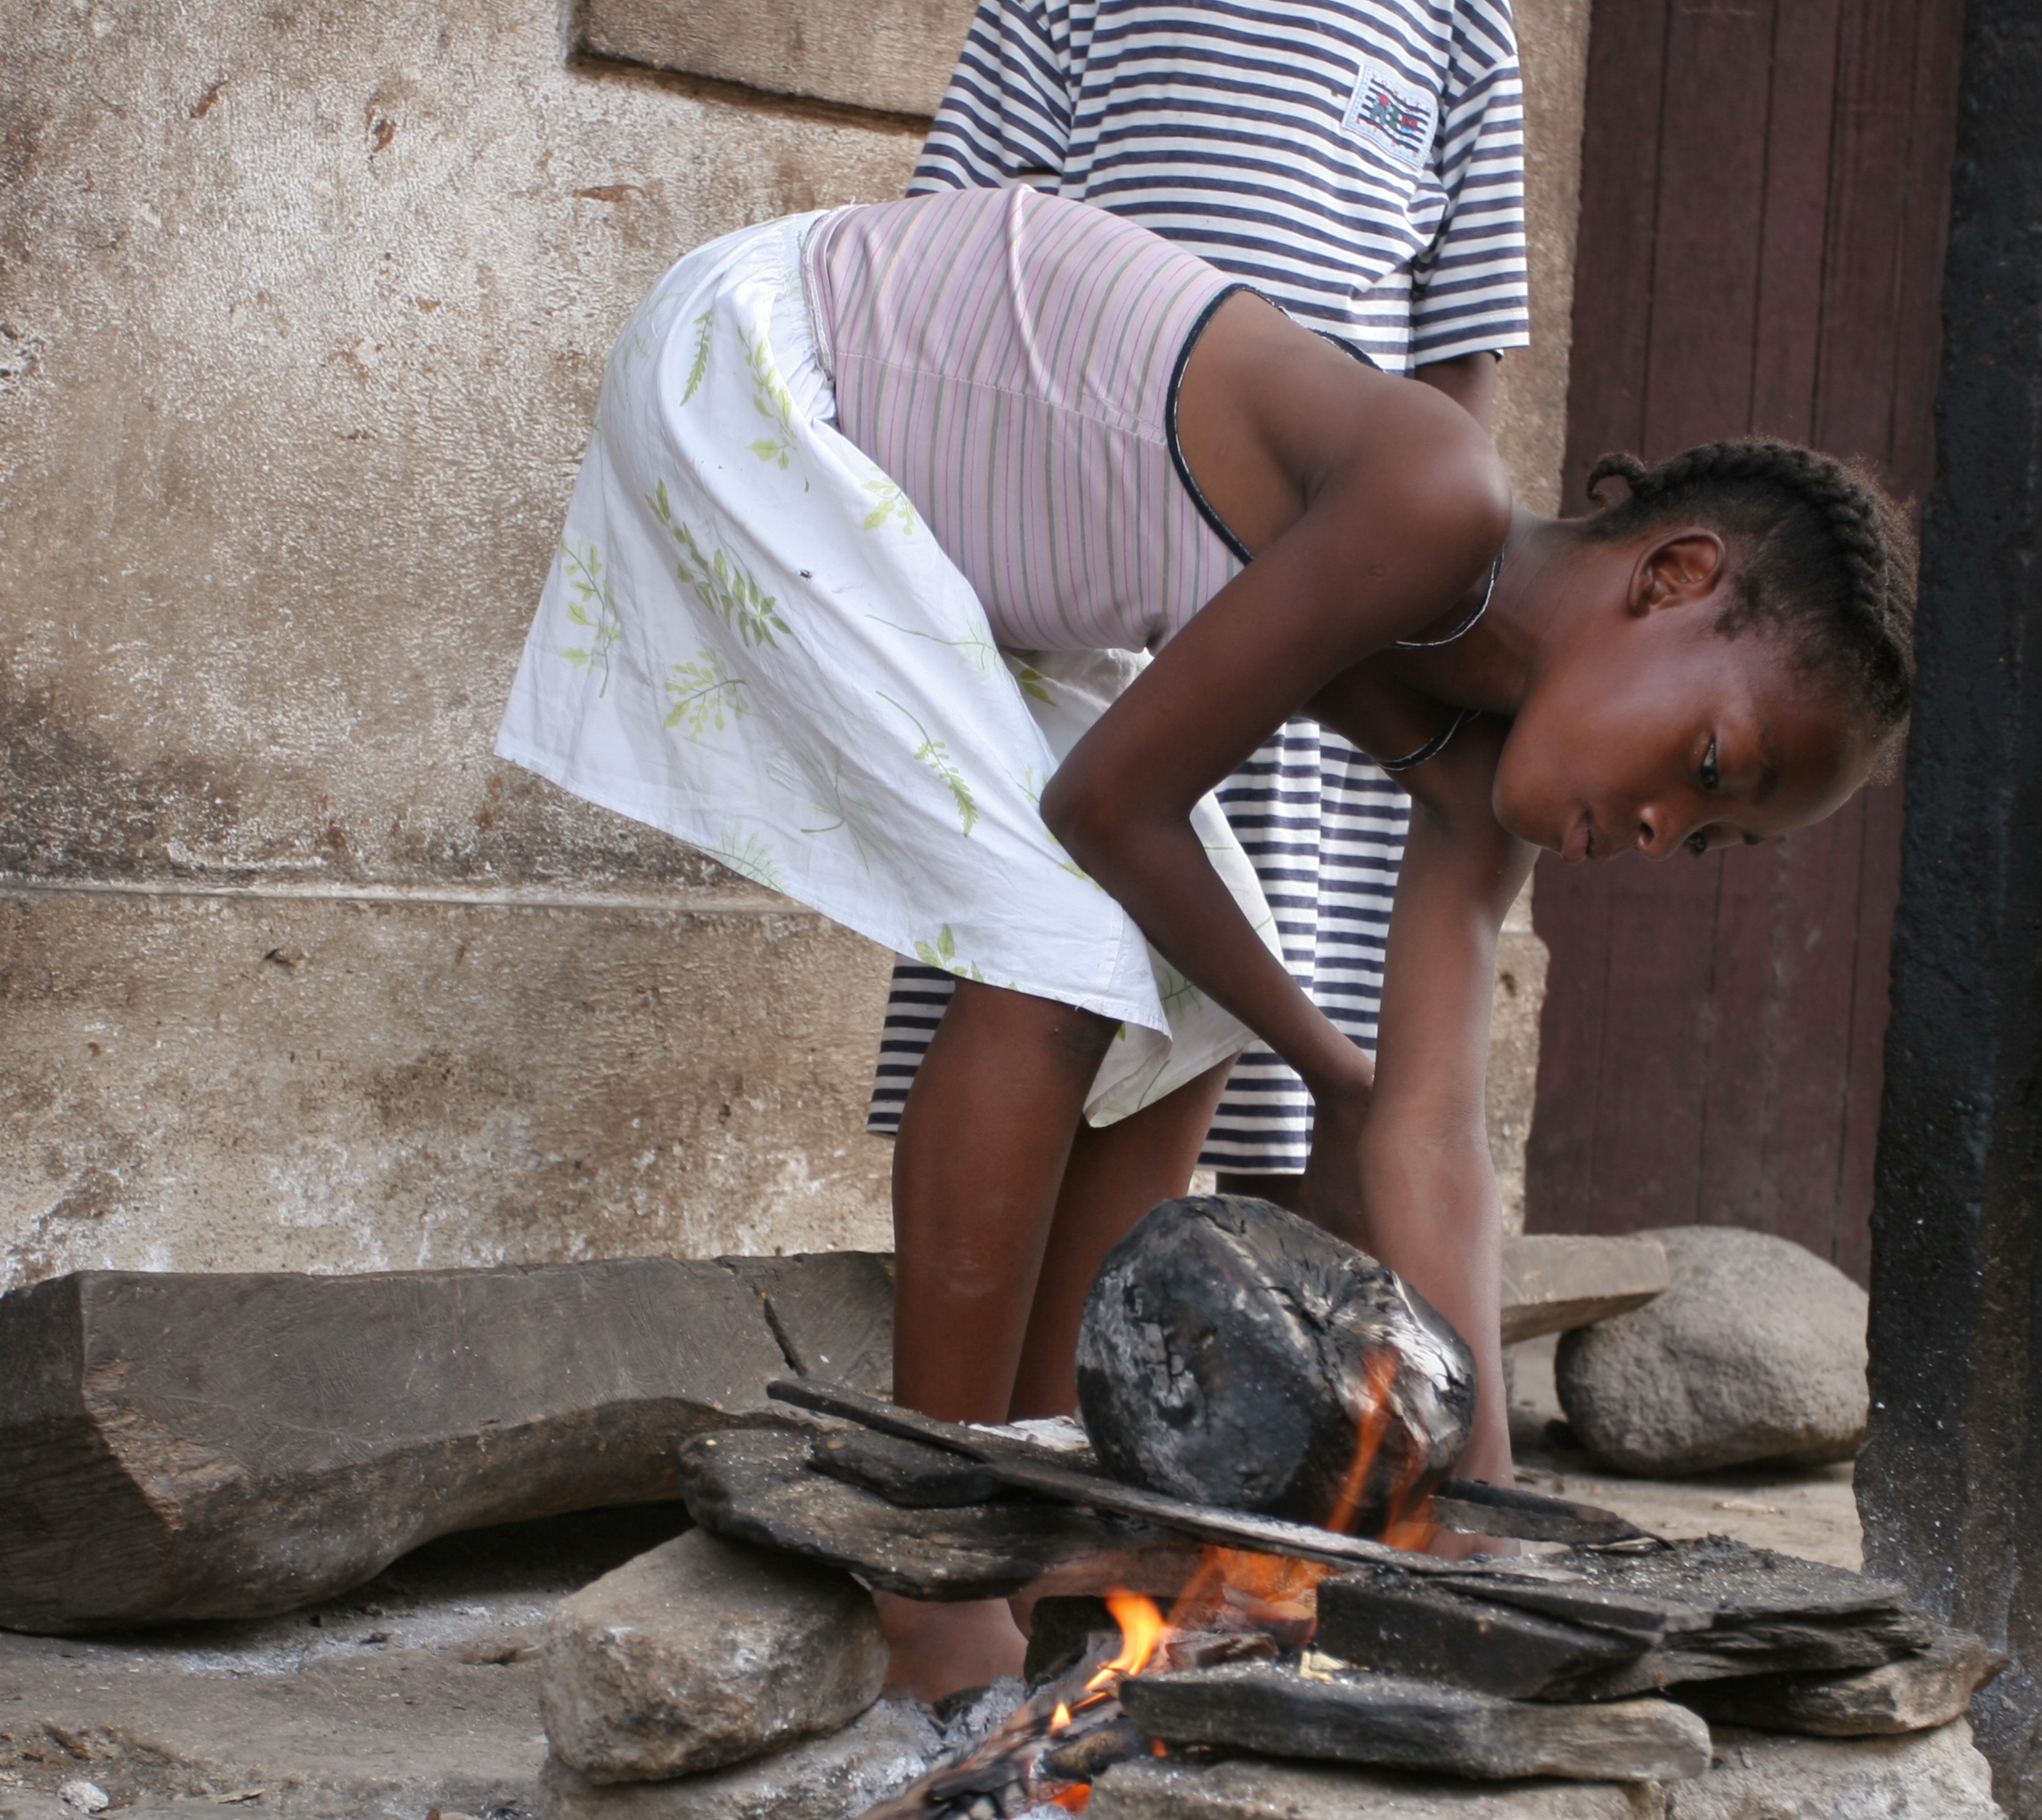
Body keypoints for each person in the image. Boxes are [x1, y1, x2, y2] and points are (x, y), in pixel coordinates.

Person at [495, 186, 1915, 1695]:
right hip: (781, 370)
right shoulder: (1429, 496)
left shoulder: (1476, 787)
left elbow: (1424, 1135)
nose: (1658, 833)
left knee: (1188, 1007)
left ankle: (1054, 1519)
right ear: (1672, 577)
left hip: (939, 529)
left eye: (1709, 841)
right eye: (1707, 766)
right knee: (1058, 951)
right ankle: (926, 1558)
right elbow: (1113, 805)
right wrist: (1330, 1059)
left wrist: (1492, 1507)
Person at [870, 0, 1533, 1205]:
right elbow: (955, 242)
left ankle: (1232, 1347)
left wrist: (1412, 615)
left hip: (1314, 602)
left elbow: (1459, 353)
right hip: (1084, 552)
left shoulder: (1455, 23)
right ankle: (1009, 1379)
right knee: (1046, 959)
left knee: (1253, 988)